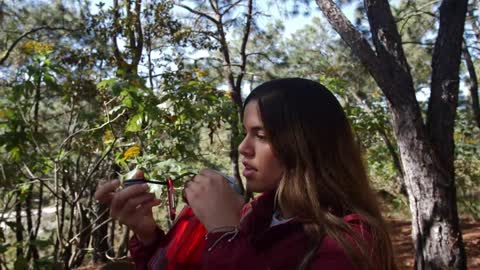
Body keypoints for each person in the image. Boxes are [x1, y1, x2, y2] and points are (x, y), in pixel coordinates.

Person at [95, 78, 398, 270]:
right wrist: (147, 237)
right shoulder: (256, 215)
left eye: (261, 135)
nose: (244, 148)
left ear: (306, 145)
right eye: (244, 133)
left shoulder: (352, 239)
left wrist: (225, 235)